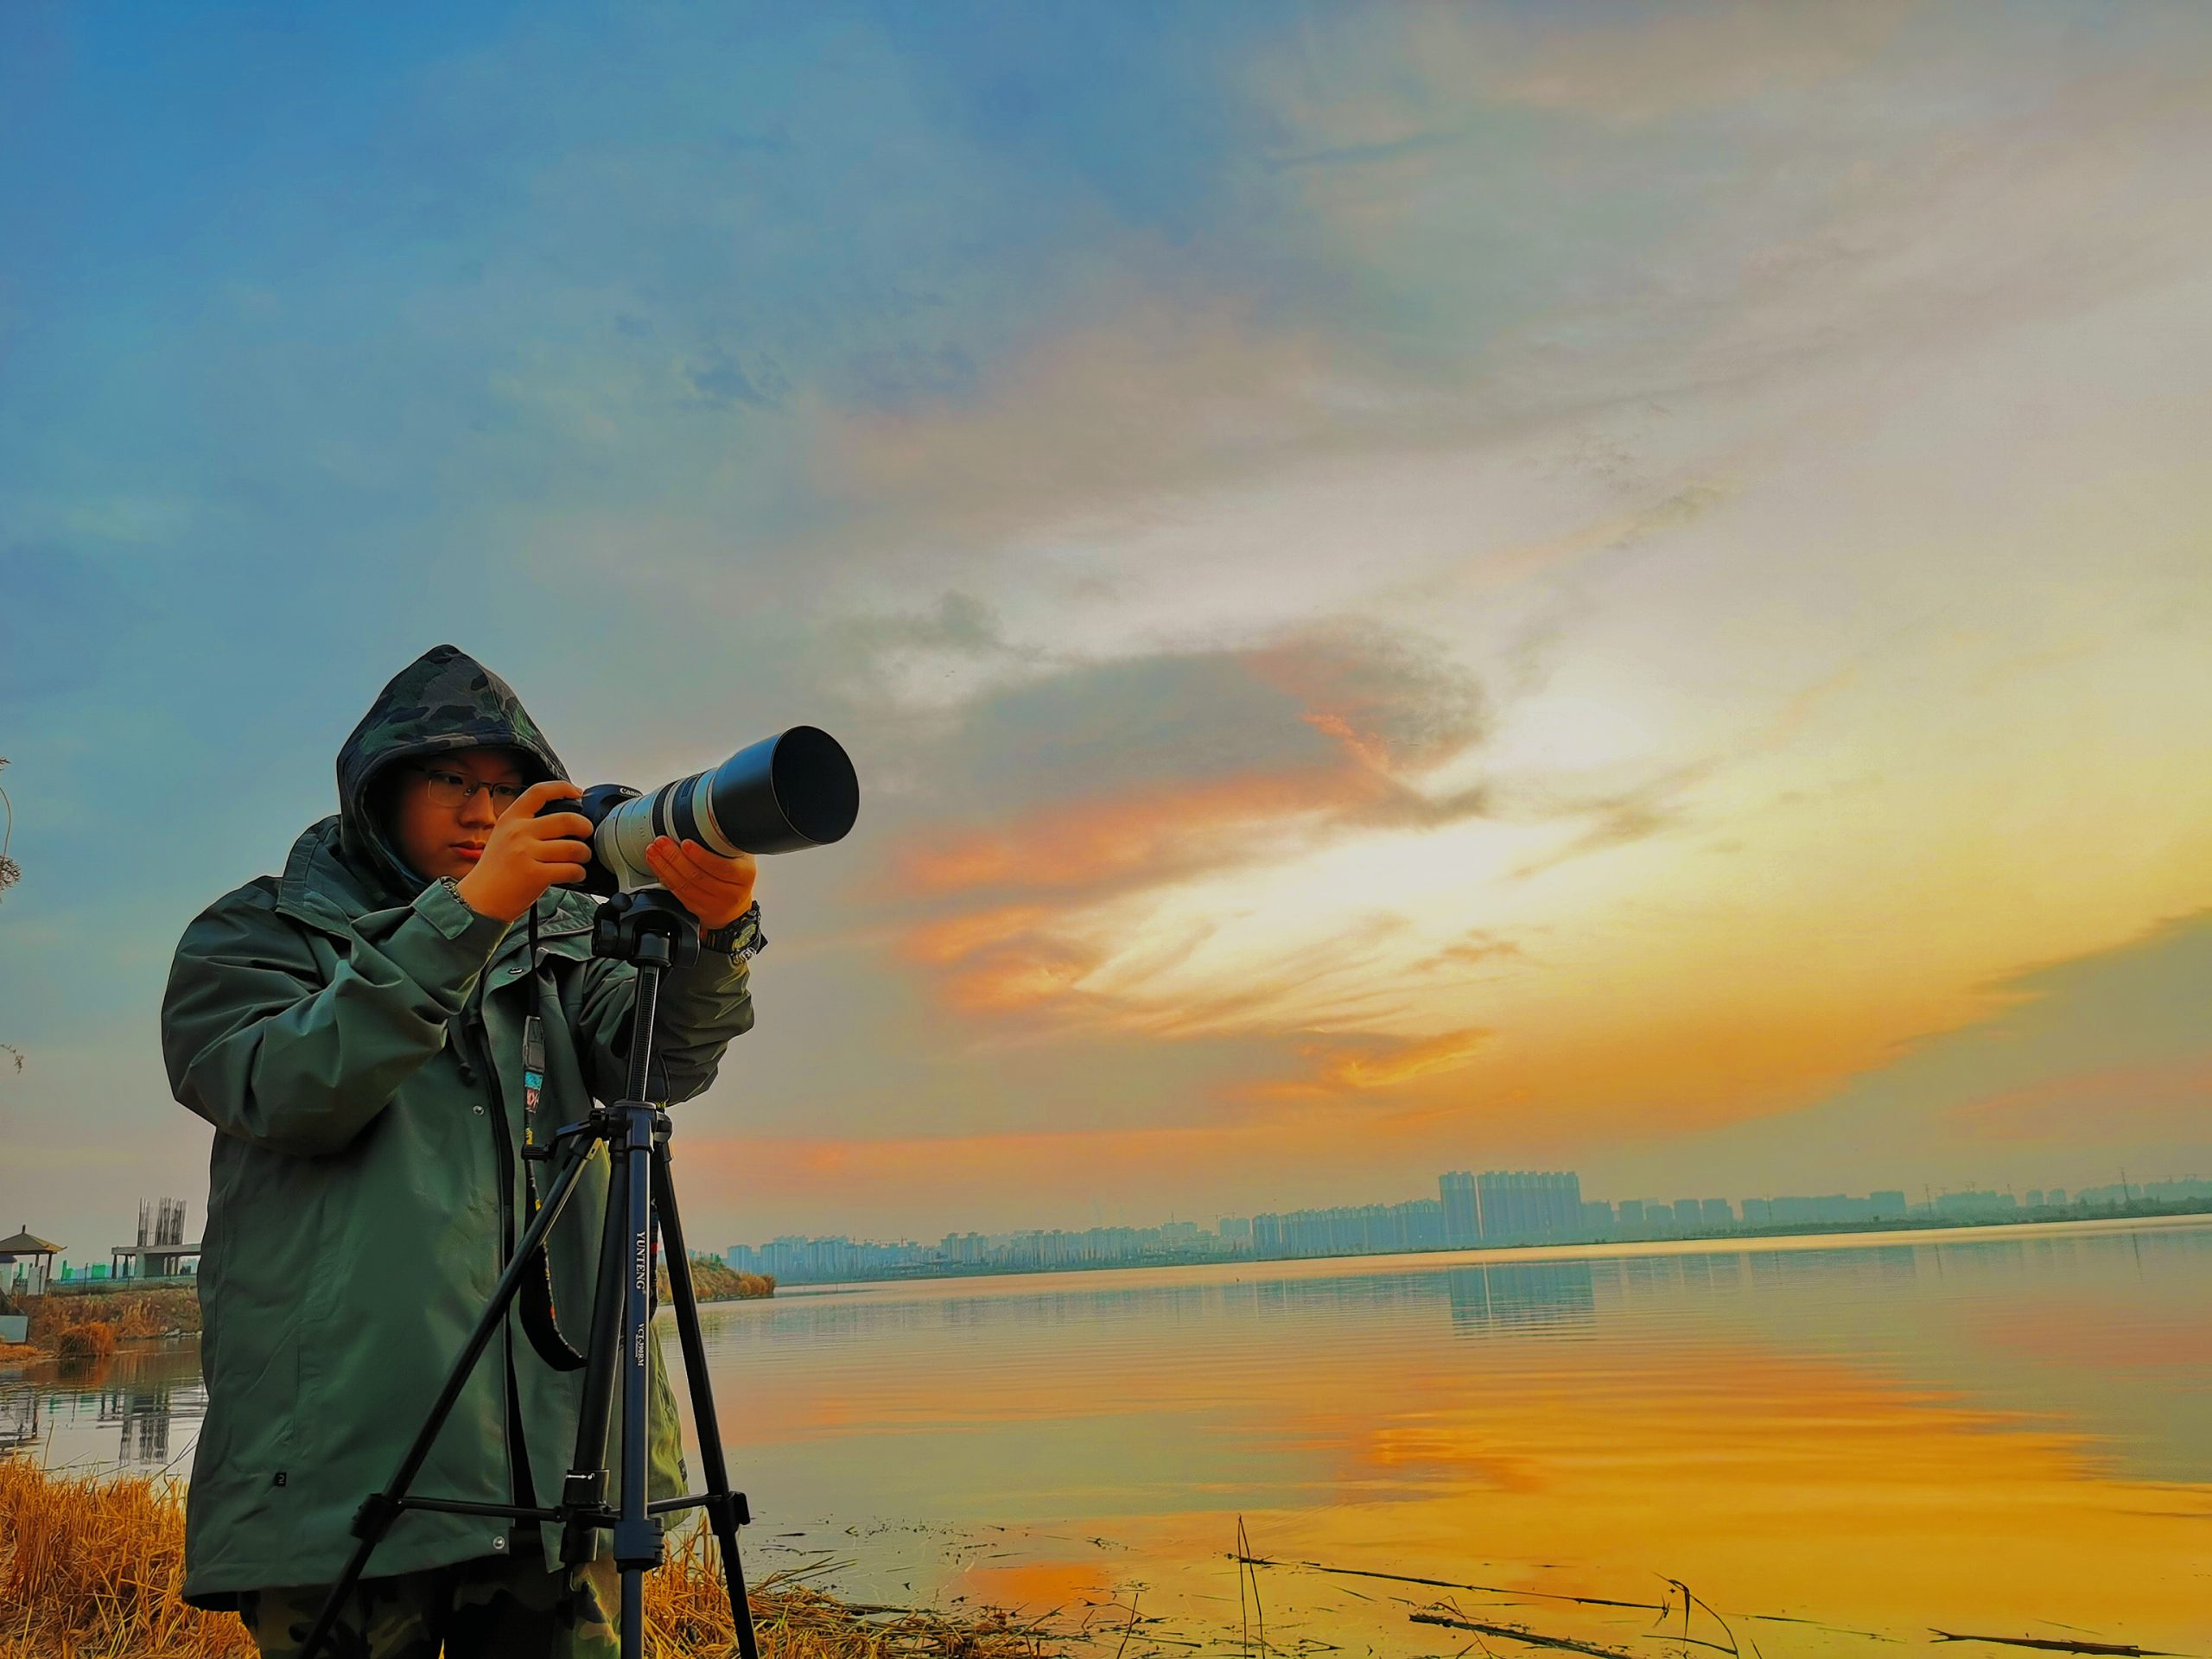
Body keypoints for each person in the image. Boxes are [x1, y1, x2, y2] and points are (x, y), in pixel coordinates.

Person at [161, 644, 762, 1656]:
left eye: (509, 791)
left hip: (555, 1465)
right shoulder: (257, 934)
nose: (485, 815)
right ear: (379, 792)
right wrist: (468, 918)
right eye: (453, 783)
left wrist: (715, 933)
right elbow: (286, 1090)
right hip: (340, 1475)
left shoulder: (565, 939)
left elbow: (659, 1066)